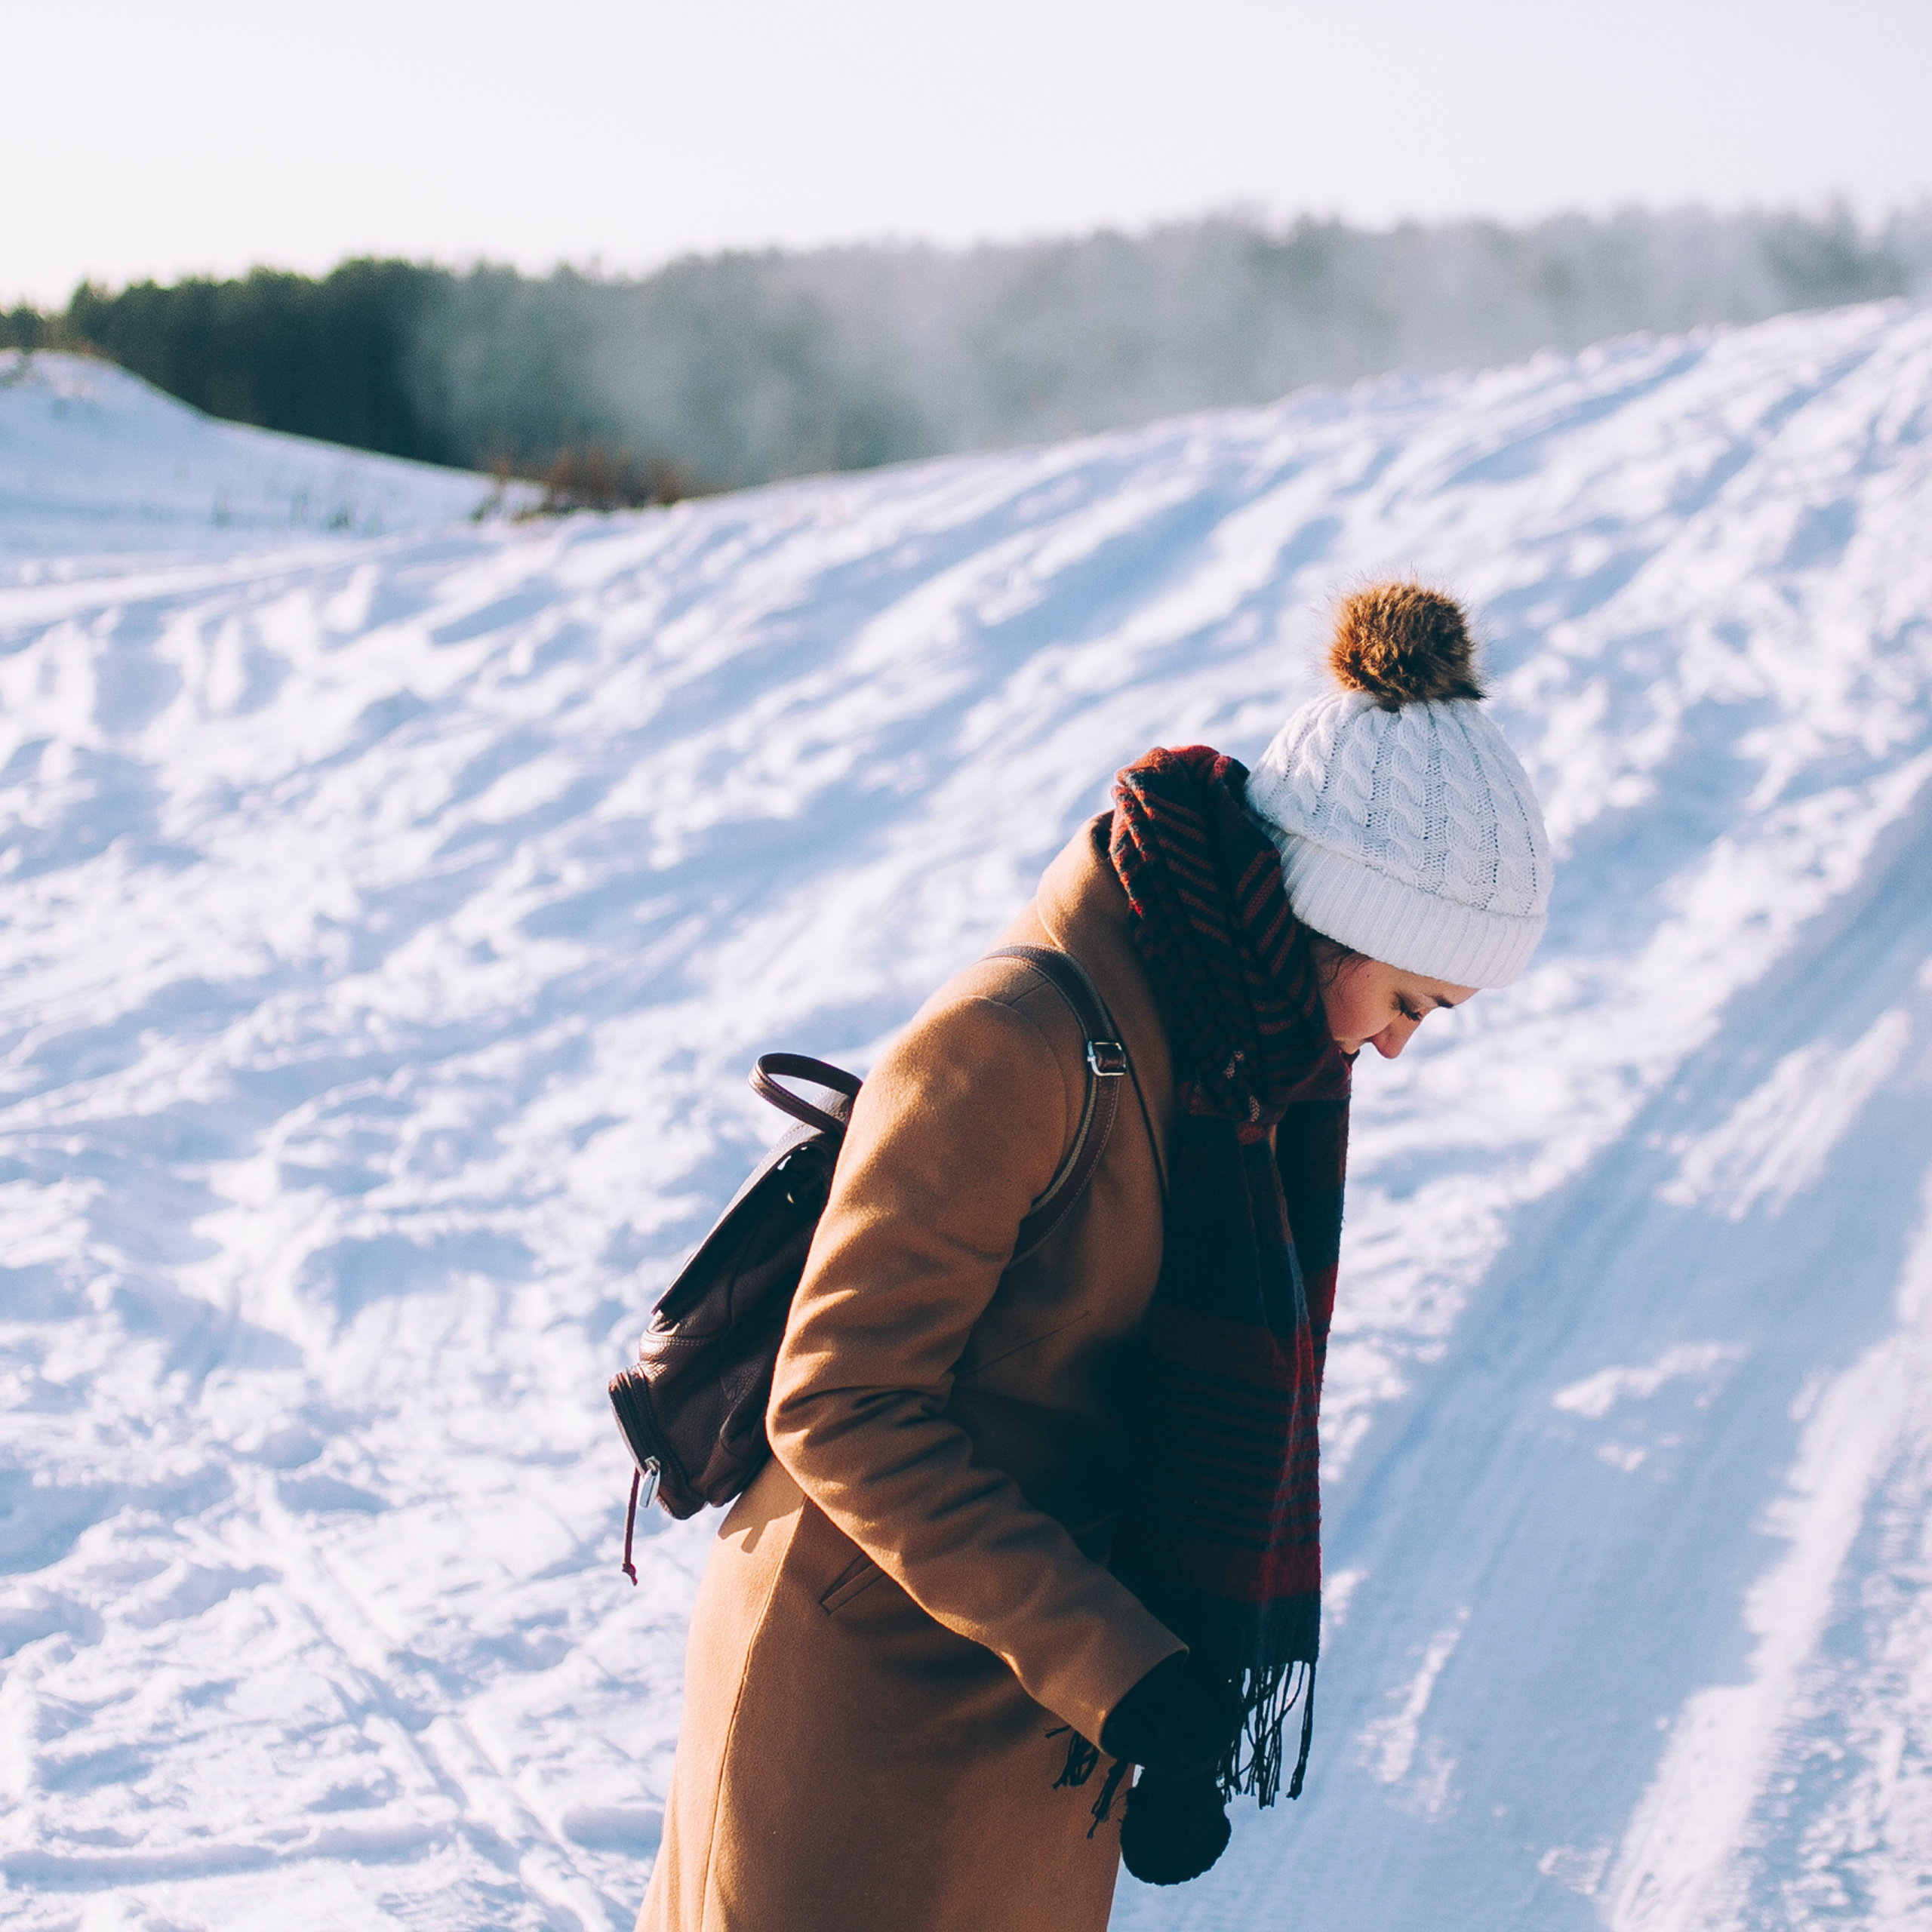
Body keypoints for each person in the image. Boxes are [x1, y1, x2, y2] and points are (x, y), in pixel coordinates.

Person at [636, 581, 1552, 1932]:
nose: (1405, 1043)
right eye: (1414, 999)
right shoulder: (1021, 1041)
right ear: (1342, 913)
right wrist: (1122, 1667)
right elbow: (839, 1407)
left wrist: (1133, 1679)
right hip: (865, 1709)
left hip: (1036, 1699)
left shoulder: (1237, 1067)